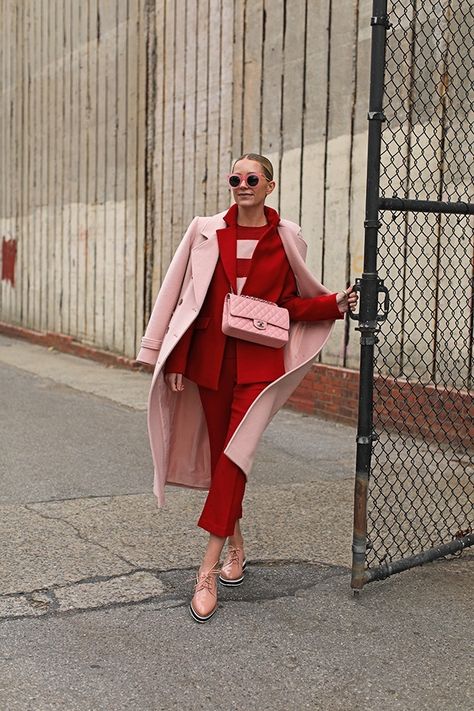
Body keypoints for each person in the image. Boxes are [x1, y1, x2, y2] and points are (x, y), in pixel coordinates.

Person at [136, 153, 358, 623]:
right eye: (235, 178)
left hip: (259, 367)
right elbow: (181, 297)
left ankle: (207, 570)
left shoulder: (285, 236)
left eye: (251, 178)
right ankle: (237, 545)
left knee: (236, 455)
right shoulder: (204, 229)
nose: (241, 184)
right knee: (223, 457)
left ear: (269, 186)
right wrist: (172, 356)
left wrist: (333, 303)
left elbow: (291, 304)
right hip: (210, 363)